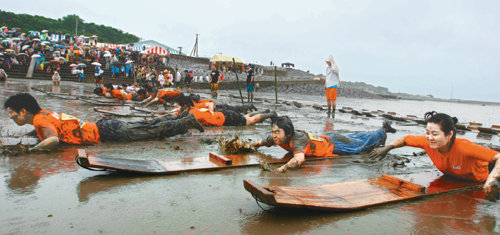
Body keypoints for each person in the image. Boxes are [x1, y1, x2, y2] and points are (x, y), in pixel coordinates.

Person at [3, 93, 204, 151]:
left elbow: (52, 139)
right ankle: (183, 118)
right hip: (105, 127)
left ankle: (186, 121)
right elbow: (48, 132)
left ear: (23, 111)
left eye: (12, 113)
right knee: (150, 126)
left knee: (154, 130)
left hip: (108, 133)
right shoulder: (44, 114)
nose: (10, 116)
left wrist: (30, 151)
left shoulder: (40, 121)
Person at [369, 111, 500, 196]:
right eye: (427, 133)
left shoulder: (465, 147)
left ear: (449, 135)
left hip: (487, 172)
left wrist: (492, 179)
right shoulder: (427, 142)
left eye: (435, 134)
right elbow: (405, 139)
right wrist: (388, 148)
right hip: (456, 177)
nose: (430, 137)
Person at [251, 116, 396, 173]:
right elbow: (261, 142)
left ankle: (383, 130)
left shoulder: (297, 140)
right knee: (356, 138)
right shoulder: (276, 138)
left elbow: (299, 159)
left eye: (277, 132)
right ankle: (375, 131)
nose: (274, 135)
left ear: (288, 133)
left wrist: (283, 168)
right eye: (273, 131)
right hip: (327, 138)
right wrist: (251, 146)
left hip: (334, 144)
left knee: (362, 146)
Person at [173, 95, 276, 127]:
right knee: (246, 117)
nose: (176, 109)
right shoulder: (191, 109)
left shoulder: (192, 114)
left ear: (185, 106)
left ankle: (271, 114)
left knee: (250, 121)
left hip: (225, 118)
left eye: (177, 107)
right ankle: (265, 113)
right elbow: (175, 115)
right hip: (223, 115)